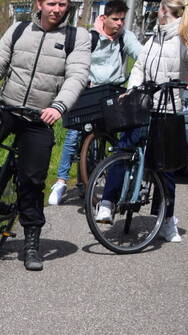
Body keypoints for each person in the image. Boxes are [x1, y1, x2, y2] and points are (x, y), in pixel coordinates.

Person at [0, 0, 92, 271]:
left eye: (62, 4)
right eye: (51, 3)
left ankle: (31, 241)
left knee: (32, 181)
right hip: (7, 107)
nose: (56, 9)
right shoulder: (19, 29)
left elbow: (77, 76)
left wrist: (58, 107)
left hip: (40, 115)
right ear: (39, 4)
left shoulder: (76, 37)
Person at [94, 0, 188, 243]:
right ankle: (107, 202)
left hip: (169, 108)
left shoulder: (184, 38)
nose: (156, 12)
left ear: (164, 10)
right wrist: (133, 89)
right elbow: (139, 66)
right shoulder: (153, 38)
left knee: (165, 169)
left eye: (158, 8)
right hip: (143, 106)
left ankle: (167, 220)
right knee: (124, 148)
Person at [48, 0, 143, 206]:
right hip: (88, 92)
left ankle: (118, 176)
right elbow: (74, 61)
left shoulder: (124, 37)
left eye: (122, 20)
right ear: (104, 18)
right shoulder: (90, 37)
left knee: (119, 136)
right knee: (74, 134)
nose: (119, 24)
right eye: (115, 19)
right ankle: (61, 181)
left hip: (112, 94)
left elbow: (141, 55)